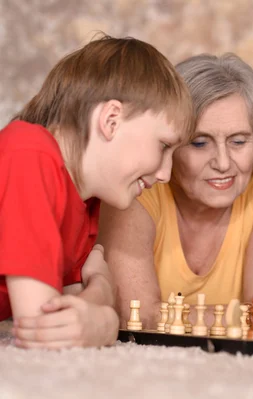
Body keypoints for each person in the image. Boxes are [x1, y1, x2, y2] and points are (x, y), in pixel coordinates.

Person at [0, 35, 196, 349]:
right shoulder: (29, 153)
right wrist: (104, 309)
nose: (165, 174)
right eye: (163, 146)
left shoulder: (84, 200)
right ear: (111, 120)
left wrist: (100, 298)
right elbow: (43, 328)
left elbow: (74, 312)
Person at [99, 53, 253, 330]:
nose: (223, 163)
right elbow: (137, 316)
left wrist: (170, 316)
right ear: (169, 145)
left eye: (238, 141)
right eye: (200, 143)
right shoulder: (139, 182)